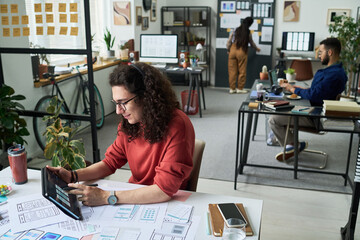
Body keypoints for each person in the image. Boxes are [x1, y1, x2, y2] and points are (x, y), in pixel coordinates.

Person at [47, 62, 195, 206]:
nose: (118, 111)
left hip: (169, 202)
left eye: (123, 102)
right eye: (116, 103)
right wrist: (73, 175)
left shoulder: (178, 125)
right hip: (136, 195)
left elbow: (163, 191)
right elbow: (109, 163)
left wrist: (107, 197)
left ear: (146, 97)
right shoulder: (130, 124)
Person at [269, 37, 347, 161]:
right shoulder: (335, 71)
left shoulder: (333, 75)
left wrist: (293, 89)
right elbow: (318, 91)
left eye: (321, 52)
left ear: (330, 52)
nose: (319, 55)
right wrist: (296, 88)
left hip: (315, 116)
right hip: (313, 109)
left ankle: (294, 145)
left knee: (273, 119)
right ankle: (291, 143)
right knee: (283, 107)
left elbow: (314, 95)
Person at [227, 17, 260, 94]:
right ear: (250, 24)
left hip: (233, 50)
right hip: (242, 51)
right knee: (242, 71)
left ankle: (232, 89)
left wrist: (229, 50)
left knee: (232, 71)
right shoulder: (248, 32)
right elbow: (251, 43)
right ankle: (239, 88)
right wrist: (256, 48)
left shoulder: (235, 30)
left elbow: (229, 41)